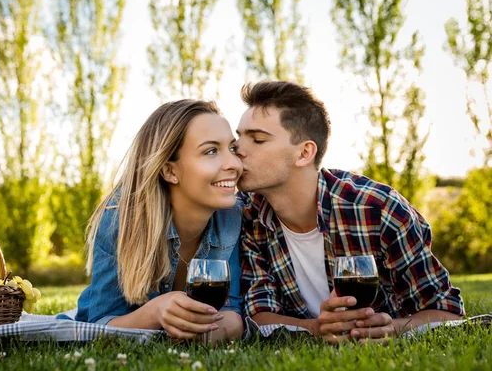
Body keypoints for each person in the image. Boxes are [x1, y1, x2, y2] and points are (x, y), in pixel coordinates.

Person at [235, 81, 465, 344]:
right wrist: (318, 328)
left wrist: (393, 328)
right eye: (239, 137)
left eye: (257, 139)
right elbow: (259, 315)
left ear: (304, 152)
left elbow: (447, 311)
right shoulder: (248, 215)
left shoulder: (378, 208)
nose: (237, 149)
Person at [74, 99, 244, 342]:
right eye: (211, 151)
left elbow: (232, 311)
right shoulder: (120, 220)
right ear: (170, 171)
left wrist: (205, 333)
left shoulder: (231, 218)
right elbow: (100, 323)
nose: (233, 164)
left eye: (233, 148)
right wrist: (156, 312)